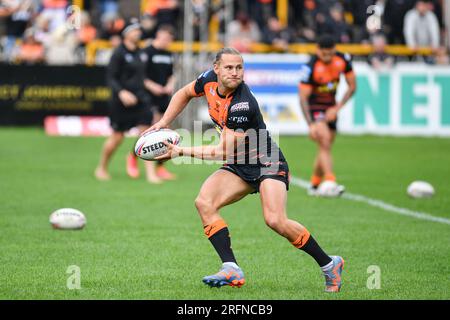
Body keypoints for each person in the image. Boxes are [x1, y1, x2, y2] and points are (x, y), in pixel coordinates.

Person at [145, 47, 345, 292]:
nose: (235, 72)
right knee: (204, 203)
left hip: (266, 160)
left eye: (239, 68)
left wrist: (181, 151)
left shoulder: (242, 103)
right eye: (229, 67)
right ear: (216, 68)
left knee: (275, 220)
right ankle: (231, 267)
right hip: (240, 164)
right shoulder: (208, 80)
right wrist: (164, 123)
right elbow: (183, 93)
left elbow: (222, 151)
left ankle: (329, 264)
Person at [95, 18, 161, 183]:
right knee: (117, 137)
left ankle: (151, 174)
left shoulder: (141, 52)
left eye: (138, 30)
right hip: (121, 102)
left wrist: (152, 87)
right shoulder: (118, 53)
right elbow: (111, 78)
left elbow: (142, 77)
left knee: (147, 136)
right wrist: (122, 92)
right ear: (126, 34)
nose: (138, 32)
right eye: (134, 30)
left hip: (141, 100)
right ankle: (101, 168)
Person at [299, 34, 356, 195]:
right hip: (314, 107)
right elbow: (303, 98)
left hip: (331, 107)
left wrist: (336, 108)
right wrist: (310, 124)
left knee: (326, 146)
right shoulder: (310, 66)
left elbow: (352, 87)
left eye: (330, 54)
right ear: (318, 50)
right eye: (324, 54)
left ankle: (315, 184)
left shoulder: (343, 60)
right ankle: (330, 181)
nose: (327, 57)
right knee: (324, 142)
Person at [143, 24, 177, 180]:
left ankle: (161, 167)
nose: (166, 41)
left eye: (169, 39)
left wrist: (170, 84)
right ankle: (142, 165)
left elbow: (171, 74)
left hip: (164, 95)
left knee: (166, 132)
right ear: (158, 35)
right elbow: (140, 76)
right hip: (149, 96)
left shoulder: (169, 54)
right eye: (164, 38)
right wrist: (153, 86)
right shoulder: (147, 52)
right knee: (152, 132)